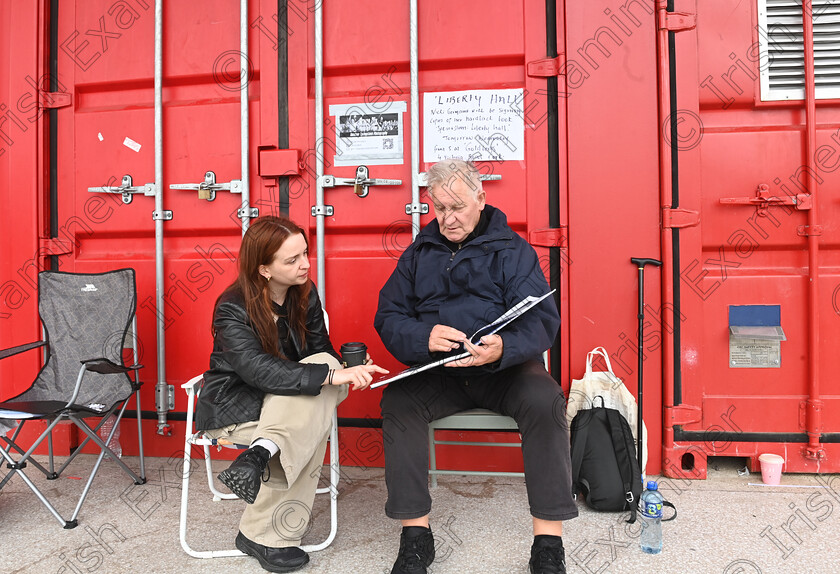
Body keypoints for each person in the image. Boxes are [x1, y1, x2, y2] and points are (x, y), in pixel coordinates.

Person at [374, 159, 578, 574]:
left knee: (546, 400)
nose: (448, 218)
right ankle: (416, 537)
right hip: (440, 372)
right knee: (398, 401)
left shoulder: (513, 250)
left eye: (458, 207)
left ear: (481, 199)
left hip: (504, 372)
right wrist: (421, 338)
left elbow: (542, 321)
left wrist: (503, 347)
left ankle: (548, 543)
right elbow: (389, 316)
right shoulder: (418, 254)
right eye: (439, 208)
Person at [196, 215, 387, 573]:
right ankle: (267, 528)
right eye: (292, 260)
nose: (305, 264)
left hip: (291, 404)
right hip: (237, 407)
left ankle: (263, 458)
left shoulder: (304, 292)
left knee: (319, 381)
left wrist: (349, 369)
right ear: (264, 269)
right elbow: (257, 370)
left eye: (305, 253)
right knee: (310, 426)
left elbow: (321, 351)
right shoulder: (232, 308)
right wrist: (334, 374)